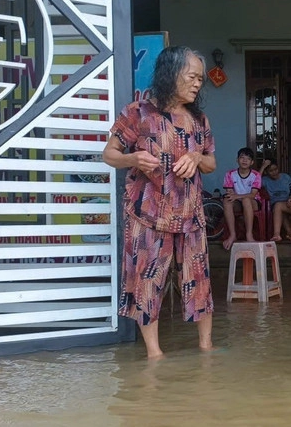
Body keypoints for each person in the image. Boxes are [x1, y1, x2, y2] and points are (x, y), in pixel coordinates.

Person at [102, 45, 216, 359]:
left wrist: (196, 156)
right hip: (148, 215)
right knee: (147, 281)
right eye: (192, 76)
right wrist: (131, 157)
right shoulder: (136, 113)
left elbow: (211, 163)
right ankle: (155, 354)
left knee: (199, 280)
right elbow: (108, 155)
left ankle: (205, 348)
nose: (197, 84)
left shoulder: (198, 119)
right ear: (171, 73)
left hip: (191, 215)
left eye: (200, 79)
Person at [221, 147, 263, 250]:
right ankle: (232, 234)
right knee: (227, 200)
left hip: (253, 202)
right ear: (237, 160)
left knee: (246, 200)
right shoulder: (230, 174)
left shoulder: (256, 175)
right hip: (237, 202)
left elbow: (253, 194)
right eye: (242, 158)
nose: (244, 160)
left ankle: (249, 235)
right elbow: (230, 193)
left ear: (252, 162)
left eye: (248, 159)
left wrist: (238, 196)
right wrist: (235, 197)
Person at [260, 158, 291, 239]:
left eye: (275, 169)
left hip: (288, 202)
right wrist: (263, 166)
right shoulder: (265, 180)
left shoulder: (285, 177)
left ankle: (289, 233)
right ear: (266, 172)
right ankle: (288, 232)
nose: (274, 172)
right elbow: (256, 181)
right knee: (279, 208)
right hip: (275, 204)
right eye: (271, 171)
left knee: (286, 209)